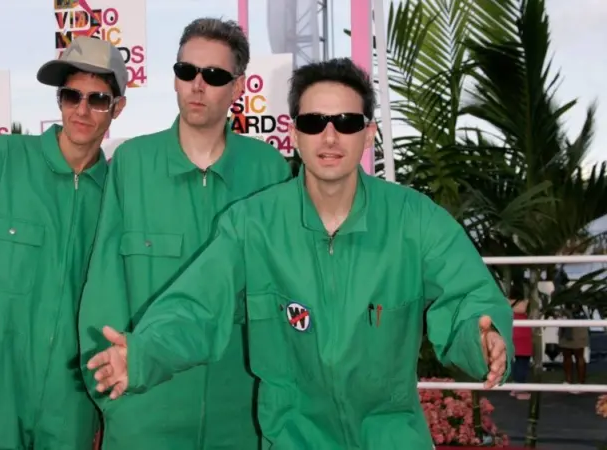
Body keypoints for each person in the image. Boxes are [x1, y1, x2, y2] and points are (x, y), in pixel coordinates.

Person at [86, 58, 514, 449]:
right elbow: (198, 305)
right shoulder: (253, 225)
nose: (329, 136)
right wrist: (144, 353)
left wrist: (484, 340)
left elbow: (467, 294)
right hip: (294, 439)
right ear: (294, 135)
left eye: (346, 122)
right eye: (313, 122)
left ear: (368, 134)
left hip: (391, 438)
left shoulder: (413, 219)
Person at [77, 17, 291, 450]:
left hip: (242, 419)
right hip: (142, 415)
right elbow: (103, 288)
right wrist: (114, 401)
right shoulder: (132, 163)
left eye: (214, 75)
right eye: (186, 71)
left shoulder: (269, 170)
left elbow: (286, 291)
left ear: (237, 86)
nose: (197, 85)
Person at [0, 36, 128, 449]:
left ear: (117, 108)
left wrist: (102, 407)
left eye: (98, 99)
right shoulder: (5, 159)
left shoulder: (116, 194)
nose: (82, 110)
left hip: (72, 401)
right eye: (71, 96)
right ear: (60, 100)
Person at [509, 284, 532, 400]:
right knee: (523, 361)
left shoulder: (506, 302)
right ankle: (520, 388)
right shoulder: (527, 303)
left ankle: (515, 386)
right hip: (524, 333)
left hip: (512, 332)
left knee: (515, 361)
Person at [559, 304, 589, 391]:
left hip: (578, 323)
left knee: (579, 355)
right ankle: (568, 381)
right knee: (566, 355)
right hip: (565, 324)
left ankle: (581, 383)